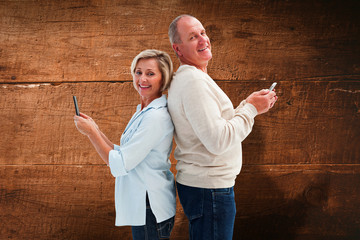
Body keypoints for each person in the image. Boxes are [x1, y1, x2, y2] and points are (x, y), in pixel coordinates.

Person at [167, 15, 278, 240]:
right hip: (210, 192)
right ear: (178, 49)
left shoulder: (194, 78)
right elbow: (218, 141)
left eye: (203, 33)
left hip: (207, 189)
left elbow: (216, 125)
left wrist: (246, 105)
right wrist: (252, 110)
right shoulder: (194, 83)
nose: (202, 40)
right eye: (192, 37)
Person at [74, 49, 176, 240]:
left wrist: (92, 133)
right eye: (138, 72)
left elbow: (120, 164)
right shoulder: (143, 110)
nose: (142, 79)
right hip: (146, 204)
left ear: (164, 79)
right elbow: (124, 153)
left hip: (150, 206)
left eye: (150, 73)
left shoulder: (155, 117)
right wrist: (95, 129)